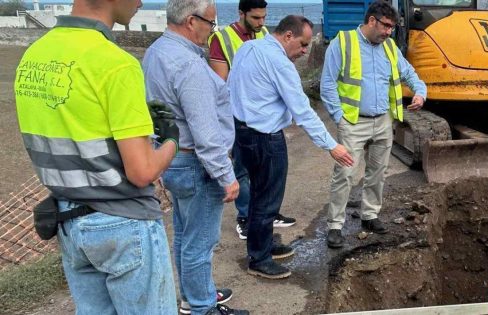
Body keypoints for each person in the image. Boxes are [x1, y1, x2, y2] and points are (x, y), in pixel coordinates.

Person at [13, 0, 178, 313]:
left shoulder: (34, 55)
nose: (142, 1)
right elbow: (142, 172)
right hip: (123, 223)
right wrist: (171, 138)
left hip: (68, 221)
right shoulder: (116, 64)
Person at [229, 15, 354, 279]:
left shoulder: (248, 48)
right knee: (267, 198)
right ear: (288, 36)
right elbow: (303, 111)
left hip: (242, 132)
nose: (305, 51)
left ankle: (261, 243)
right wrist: (331, 146)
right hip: (266, 137)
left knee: (257, 194)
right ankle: (259, 258)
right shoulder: (280, 64)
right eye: (303, 44)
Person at [141, 0, 246, 314]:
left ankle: (193, 296)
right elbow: (205, 130)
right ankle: (203, 307)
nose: (213, 31)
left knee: (185, 235)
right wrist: (226, 176)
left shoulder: (155, 52)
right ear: (191, 21)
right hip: (195, 163)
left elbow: (158, 113)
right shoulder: (187, 64)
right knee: (200, 242)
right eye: (211, 24)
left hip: (171, 157)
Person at [320, 1, 427, 248]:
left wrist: (420, 92)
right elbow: (327, 84)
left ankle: (370, 215)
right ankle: (335, 225)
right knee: (345, 174)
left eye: (392, 27)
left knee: (378, 172)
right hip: (354, 122)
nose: (390, 31)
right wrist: (340, 117)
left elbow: (409, 73)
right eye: (386, 26)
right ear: (371, 21)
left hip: (382, 121)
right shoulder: (343, 42)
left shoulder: (389, 47)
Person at [208, 0, 292, 241]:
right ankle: (245, 217)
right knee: (242, 169)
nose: (261, 23)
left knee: (264, 169)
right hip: (237, 117)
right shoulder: (222, 39)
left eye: (264, 17)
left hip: (262, 117)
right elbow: (219, 85)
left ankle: (265, 213)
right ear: (241, 13)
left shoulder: (263, 34)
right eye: (256, 18)